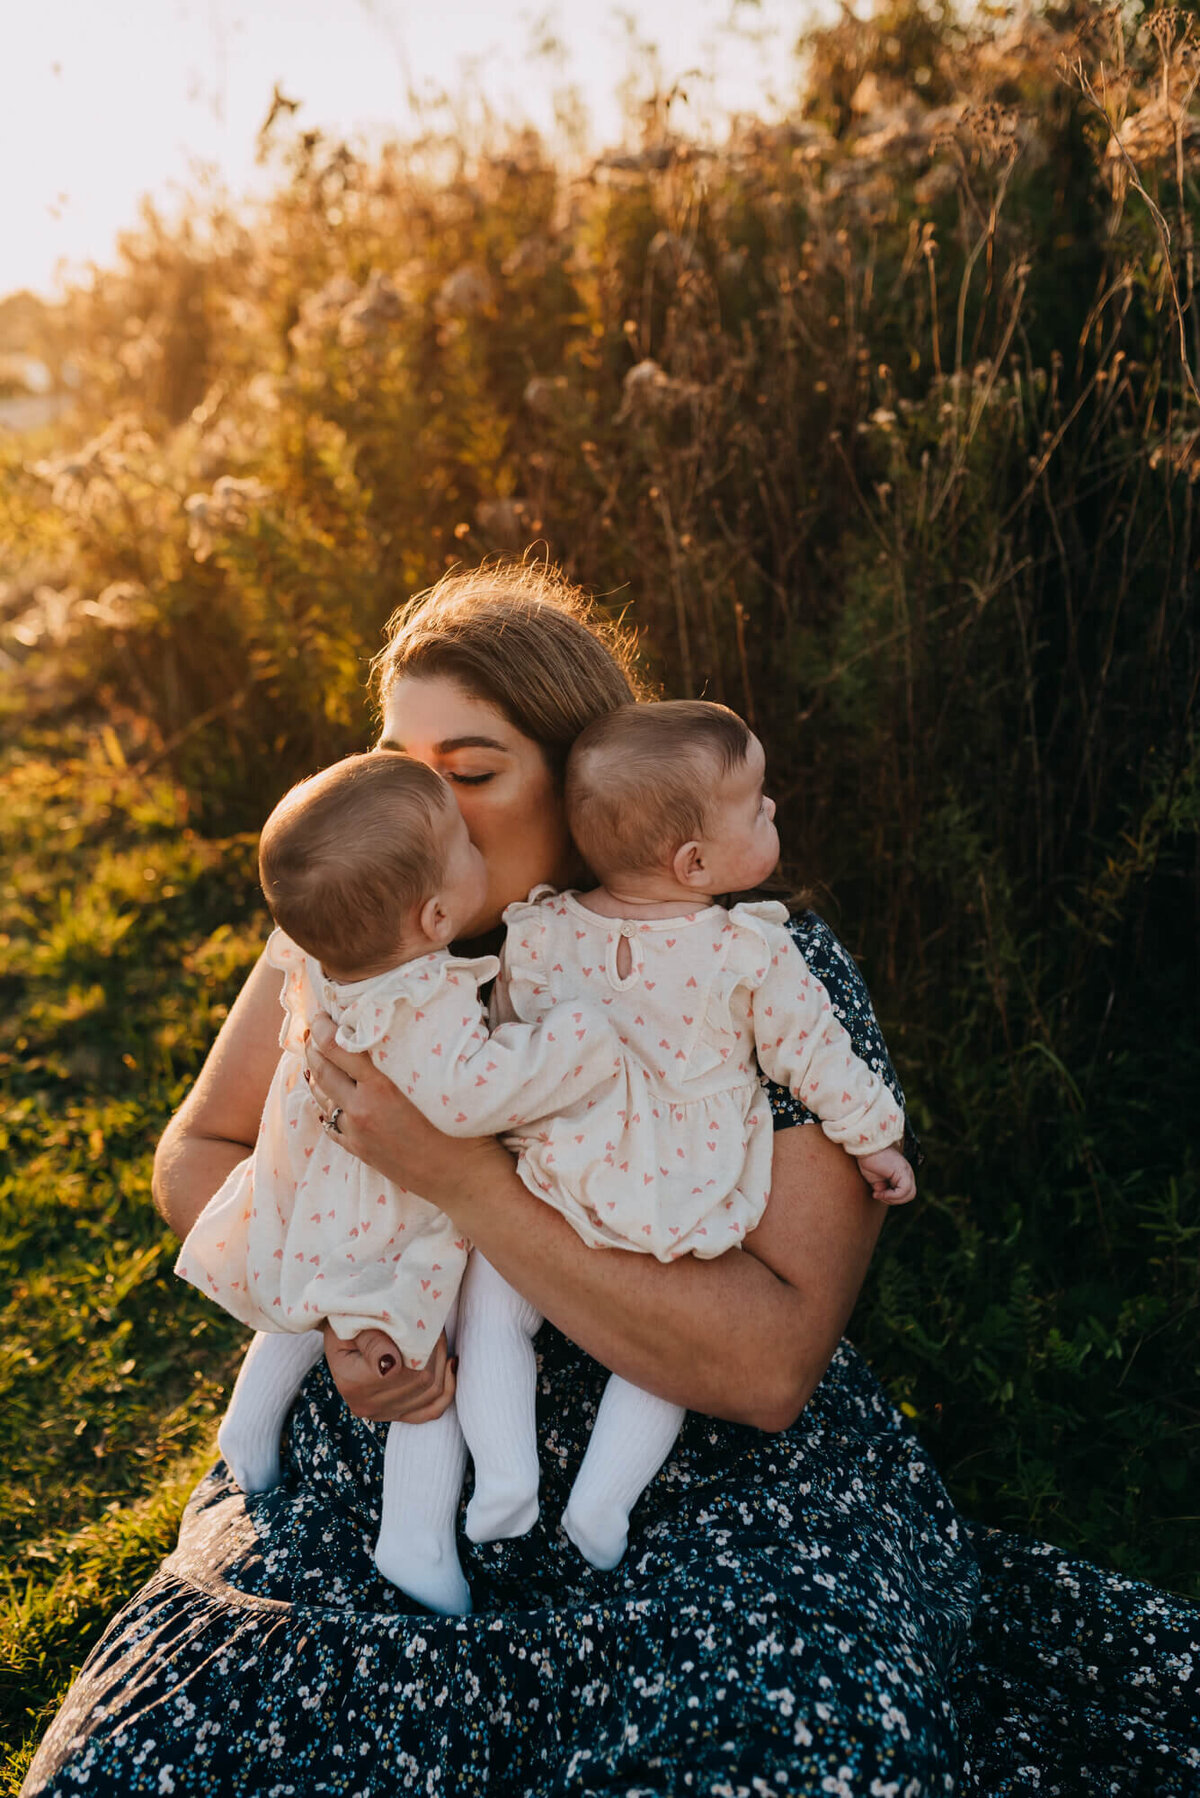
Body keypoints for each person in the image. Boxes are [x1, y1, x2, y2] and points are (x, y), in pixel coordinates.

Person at [22, 561, 1200, 1797]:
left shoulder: (745, 967)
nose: (415, 802)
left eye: (469, 772)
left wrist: (467, 1185)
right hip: (394, 1428)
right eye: (395, 759)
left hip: (696, 1470)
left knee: (798, 1751)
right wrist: (348, 1311)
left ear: (584, 780)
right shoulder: (355, 930)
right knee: (143, 1768)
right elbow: (197, 1153)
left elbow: (769, 1362)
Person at [459, 698, 915, 1572]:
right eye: (758, 804)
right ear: (695, 860)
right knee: (662, 1356)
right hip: (678, 1185)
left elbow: (507, 1038)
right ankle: (602, 1502)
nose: (774, 809)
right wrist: (873, 1137)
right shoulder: (751, 952)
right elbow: (815, 1059)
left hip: (557, 1169)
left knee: (493, 1310)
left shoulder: (543, 930)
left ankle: (504, 1476)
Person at [174, 750, 623, 1613]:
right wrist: (577, 1043)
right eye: (453, 833)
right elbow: (474, 1092)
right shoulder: (425, 998)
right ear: (435, 913)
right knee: (420, 1368)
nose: (465, 830)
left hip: (322, 1193)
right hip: (400, 1212)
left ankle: (248, 1426)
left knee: (312, 1294)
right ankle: (414, 1539)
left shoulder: (328, 958)